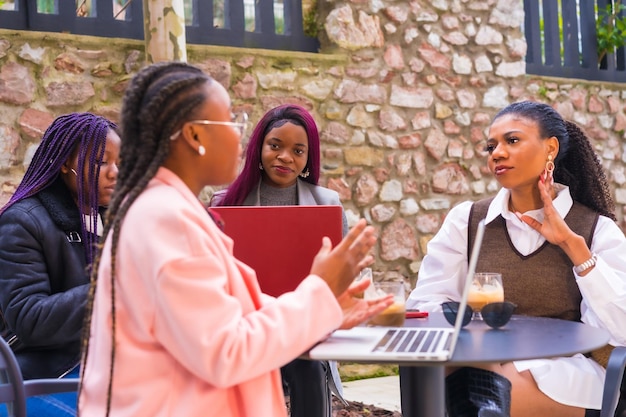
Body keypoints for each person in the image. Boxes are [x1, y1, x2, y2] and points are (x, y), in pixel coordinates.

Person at [78, 61, 392, 417]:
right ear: (196, 135)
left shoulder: (171, 211)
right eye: (230, 120)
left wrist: (329, 310)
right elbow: (225, 351)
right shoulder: (164, 220)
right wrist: (319, 290)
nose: (240, 136)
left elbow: (242, 309)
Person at [406, 101, 626, 417]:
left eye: (512, 141)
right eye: (491, 145)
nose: (496, 153)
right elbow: (426, 303)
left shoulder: (596, 230)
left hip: (565, 371)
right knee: (431, 379)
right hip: (479, 358)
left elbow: (619, 330)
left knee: (491, 387)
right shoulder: (467, 221)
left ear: (550, 148)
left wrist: (573, 247)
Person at [211, 103, 349, 417]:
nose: (285, 157)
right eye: (275, 146)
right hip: (246, 321)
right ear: (259, 147)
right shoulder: (225, 203)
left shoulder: (327, 203)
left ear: (307, 158)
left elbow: (341, 272)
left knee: (307, 365)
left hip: (305, 323)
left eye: (298, 151)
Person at [0, 112, 120, 417]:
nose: (115, 172)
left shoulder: (112, 220)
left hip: (105, 367)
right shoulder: (22, 222)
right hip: (47, 376)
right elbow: (29, 319)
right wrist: (111, 286)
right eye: (100, 162)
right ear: (65, 163)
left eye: (121, 162)